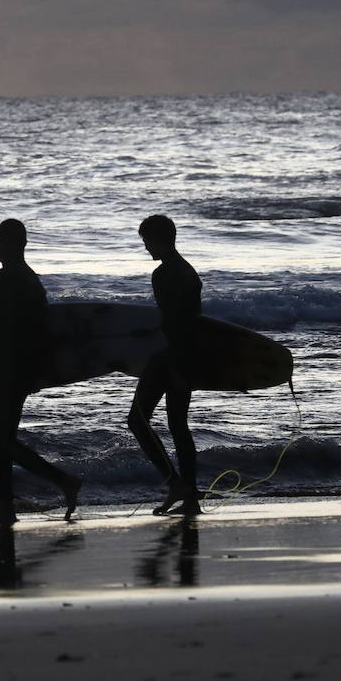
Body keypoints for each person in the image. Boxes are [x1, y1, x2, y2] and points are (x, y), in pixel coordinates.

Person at [0, 219, 81, 524]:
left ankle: (61, 482)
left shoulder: (0, 279)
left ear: (7, 245)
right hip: (26, 368)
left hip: (9, 367)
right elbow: (44, 329)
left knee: (0, 438)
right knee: (0, 436)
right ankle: (7, 505)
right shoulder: (32, 281)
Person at [127, 214, 203, 515]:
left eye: (147, 241)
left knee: (137, 420)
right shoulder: (188, 271)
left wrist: (171, 366)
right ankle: (190, 495)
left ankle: (175, 483)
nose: (146, 248)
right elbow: (192, 324)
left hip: (170, 357)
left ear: (158, 240)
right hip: (188, 356)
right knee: (178, 426)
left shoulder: (163, 274)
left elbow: (172, 324)